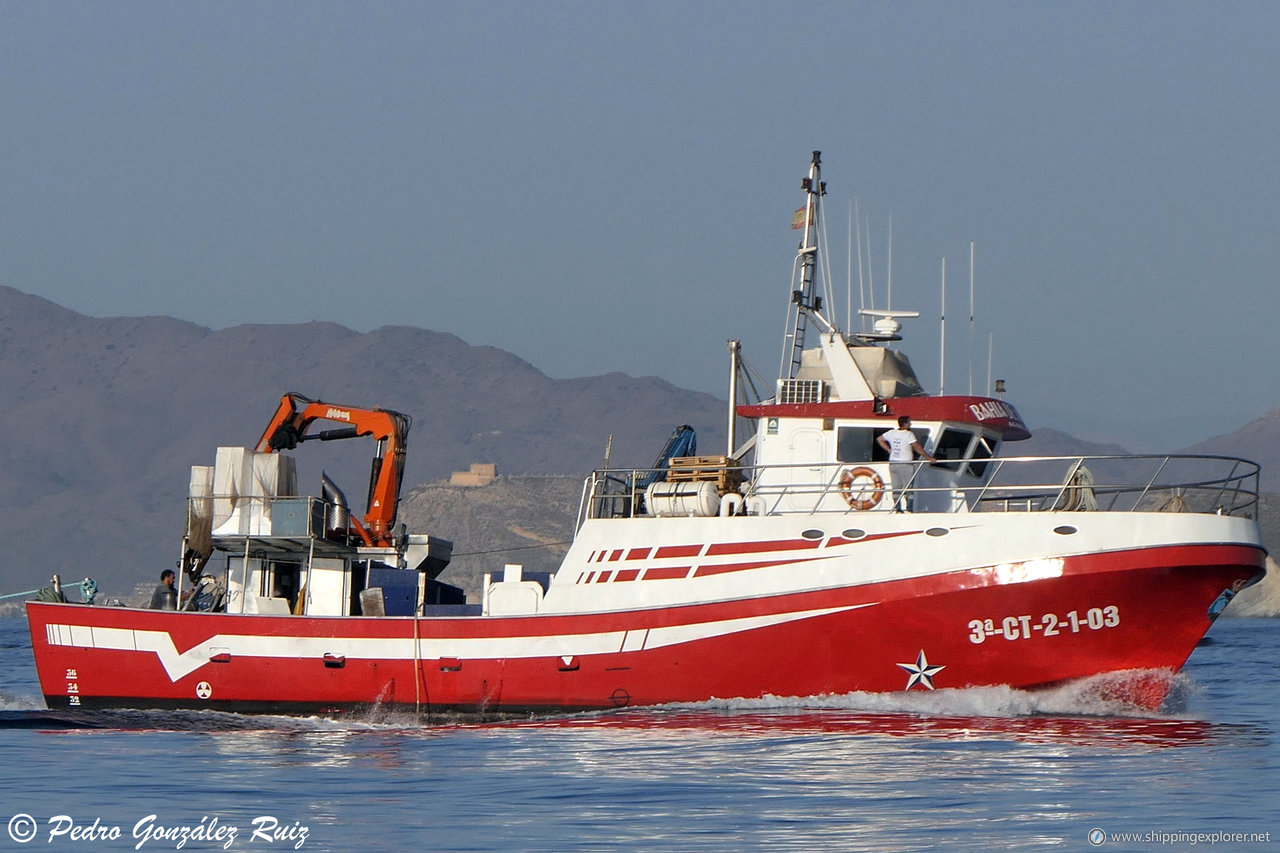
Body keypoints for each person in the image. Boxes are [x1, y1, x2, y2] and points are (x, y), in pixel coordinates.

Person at [877, 416, 936, 512]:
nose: (910, 424)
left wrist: (889, 450)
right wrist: (928, 458)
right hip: (905, 464)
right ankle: (909, 508)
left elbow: (880, 439)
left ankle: (898, 508)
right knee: (908, 487)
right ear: (905, 424)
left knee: (896, 487)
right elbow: (917, 447)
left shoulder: (892, 433)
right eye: (909, 423)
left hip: (893, 463)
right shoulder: (909, 434)